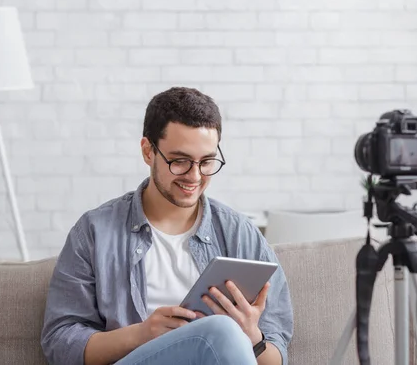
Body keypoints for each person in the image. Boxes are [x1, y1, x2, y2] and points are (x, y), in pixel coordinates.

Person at [40, 87, 294, 365]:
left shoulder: (239, 234)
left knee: (226, 332)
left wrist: (252, 337)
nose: (194, 176)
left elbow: (275, 356)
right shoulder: (94, 231)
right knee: (221, 330)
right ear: (148, 151)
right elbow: (59, 343)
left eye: (207, 161)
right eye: (180, 161)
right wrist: (141, 334)